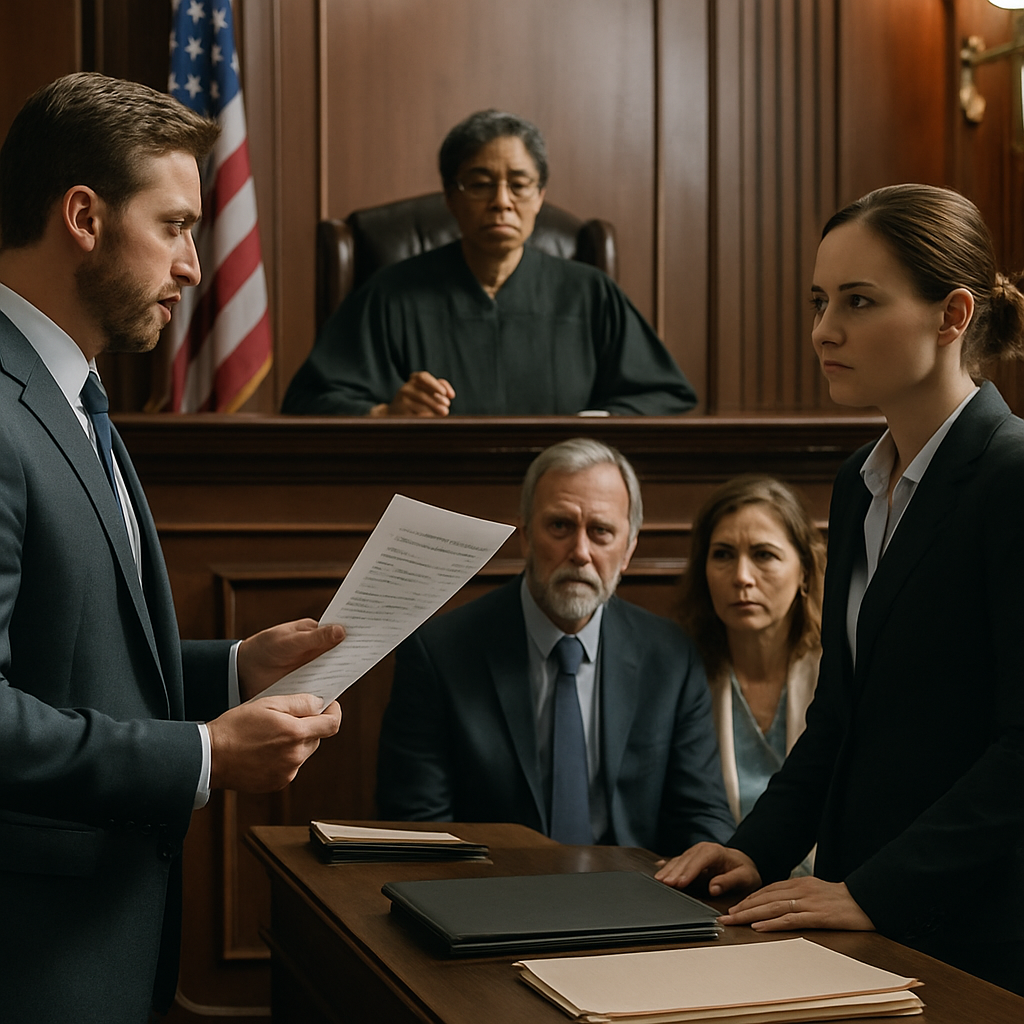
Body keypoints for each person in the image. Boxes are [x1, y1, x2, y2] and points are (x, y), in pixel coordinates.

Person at [0, 73, 346, 1024]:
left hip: (100, 939)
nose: (195, 267)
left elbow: (63, 661)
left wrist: (234, 671)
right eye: (178, 226)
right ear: (83, 216)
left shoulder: (70, 395)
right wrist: (199, 756)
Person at [656, 184, 1024, 995]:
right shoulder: (858, 483)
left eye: (858, 302)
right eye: (821, 301)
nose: (824, 330)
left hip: (980, 935)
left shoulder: (1012, 475)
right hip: (860, 920)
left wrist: (873, 891)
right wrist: (756, 845)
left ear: (952, 315)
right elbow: (840, 718)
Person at [376, 438, 735, 854]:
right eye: (560, 526)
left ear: (628, 550)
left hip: (636, 899)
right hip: (491, 901)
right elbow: (419, 826)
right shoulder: (440, 653)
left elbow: (702, 816)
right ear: (526, 536)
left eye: (601, 532)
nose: (580, 553)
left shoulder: (671, 656)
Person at [281, 110, 697, 417]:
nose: (502, 202)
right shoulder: (391, 295)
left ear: (539, 196)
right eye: (480, 185)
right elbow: (307, 402)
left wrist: (593, 426)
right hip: (431, 505)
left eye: (518, 184)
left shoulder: (590, 294)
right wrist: (385, 413)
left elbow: (667, 396)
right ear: (450, 198)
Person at [677, 476, 824, 845]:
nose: (742, 577)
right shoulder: (680, 674)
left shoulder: (839, 670)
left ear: (804, 570)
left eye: (764, 555)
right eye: (723, 555)